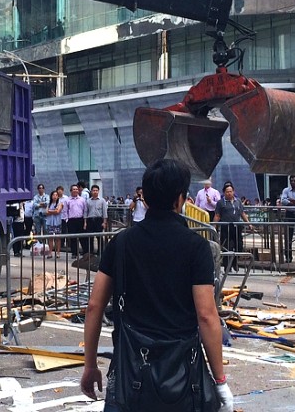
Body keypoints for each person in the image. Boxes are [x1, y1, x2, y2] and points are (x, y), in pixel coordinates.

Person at [80, 158, 233, 411]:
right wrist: (220, 381)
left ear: (146, 199)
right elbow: (207, 316)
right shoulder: (196, 247)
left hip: (129, 373)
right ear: (180, 199)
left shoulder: (121, 243)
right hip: (182, 375)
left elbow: (94, 306)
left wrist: (90, 365)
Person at [214, 182, 251, 261]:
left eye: (231, 191)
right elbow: (217, 215)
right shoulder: (220, 202)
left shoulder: (238, 201)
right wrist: (214, 226)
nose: (229, 193)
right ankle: (226, 263)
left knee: (239, 245)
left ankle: (235, 261)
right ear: (224, 193)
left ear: (233, 192)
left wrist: (249, 224)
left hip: (237, 227)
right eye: (227, 192)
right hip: (225, 227)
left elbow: (242, 213)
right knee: (226, 246)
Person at [63, 183, 87, 256]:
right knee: (73, 238)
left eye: (76, 189)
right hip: (71, 220)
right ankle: (74, 253)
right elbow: (65, 211)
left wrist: (85, 221)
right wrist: (67, 220)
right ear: (71, 191)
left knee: (82, 237)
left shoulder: (82, 200)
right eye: (74, 189)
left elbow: (85, 210)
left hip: (80, 220)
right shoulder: (67, 200)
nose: (75, 190)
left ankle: (85, 252)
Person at [84, 184, 109, 254]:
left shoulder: (102, 200)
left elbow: (104, 212)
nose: (95, 192)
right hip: (90, 220)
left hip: (99, 220)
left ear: (98, 191)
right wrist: (85, 222)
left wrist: (104, 222)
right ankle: (91, 252)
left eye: (96, 190)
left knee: (99, 237)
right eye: (93, 190)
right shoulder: (88, 201)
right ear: (91, 191)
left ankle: (100, 252)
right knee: (90, 237)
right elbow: (85, 212)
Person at [46, 188, 64, 257]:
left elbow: (58, 211)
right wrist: (53, 210)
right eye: (53, 195)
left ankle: (58, 252)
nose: (55, 196)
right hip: (50, 222)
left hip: (57, 222)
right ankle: (50, 252)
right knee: (50, 238)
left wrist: (50, 211)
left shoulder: (60, 203)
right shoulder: (49, 204)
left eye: (56, 195)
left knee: (57, 238)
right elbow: (46, 212)